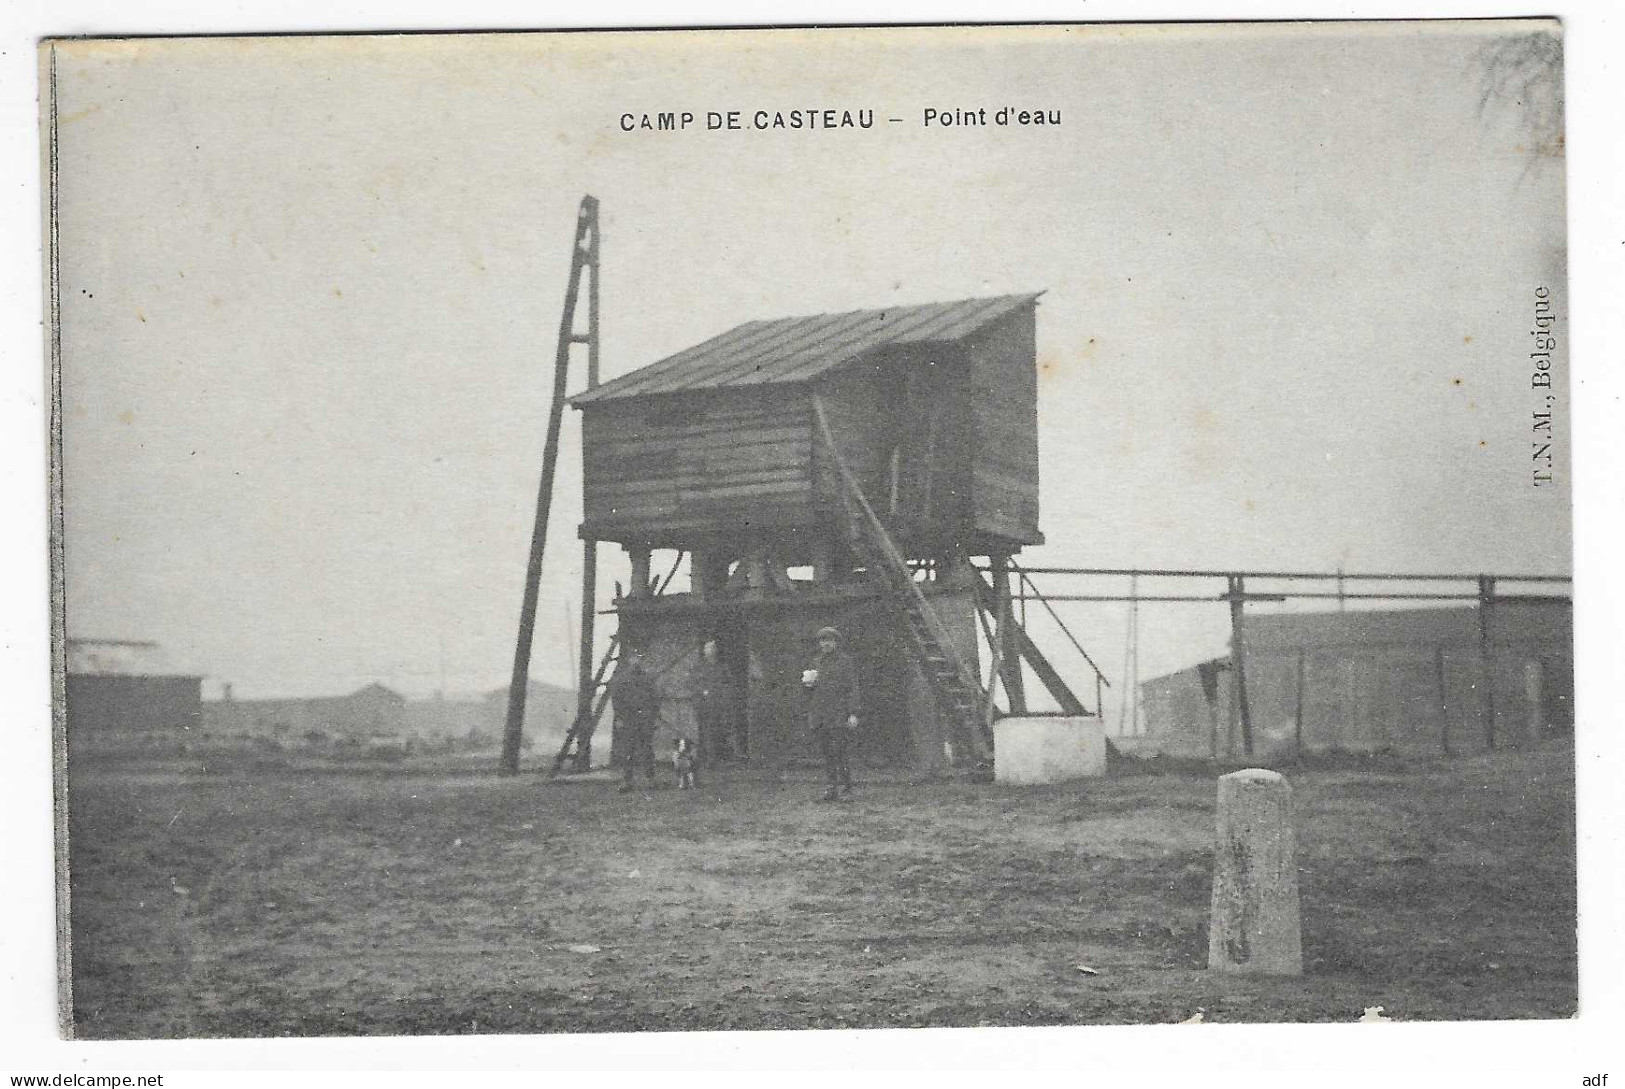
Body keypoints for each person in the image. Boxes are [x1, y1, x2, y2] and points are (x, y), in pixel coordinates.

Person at [803, 625, 860, 801]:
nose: (825, 644)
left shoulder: (845, 661)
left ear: (836, 642)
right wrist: (808, 685)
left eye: (829, 640)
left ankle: (846, 788)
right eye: (822, 640)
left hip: (839, 714)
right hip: (820, 714)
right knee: (826, 752)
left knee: (840, 751)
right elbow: (810, 691)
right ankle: (831, 788)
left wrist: (853, 713)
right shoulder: (816, 662)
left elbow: (852, 688)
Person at [611, 646, 661, 793]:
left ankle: (650, 779)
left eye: (639, 658)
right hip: (628, 719)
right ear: (629, 660)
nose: (636, 661)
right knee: (628, 750)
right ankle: (627, 781)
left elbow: (655, 699)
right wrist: (619, 717)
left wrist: (653, 716)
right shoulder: (621, 679)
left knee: (647, 749)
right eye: (634, 658)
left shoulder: (647, 679)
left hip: (644, 718)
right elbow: (616, 700)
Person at [693, 639, 737, 763]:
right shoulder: (700, 668)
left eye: (712, 649)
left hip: (719, 705)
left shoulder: (723, 667)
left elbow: (729, 684)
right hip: (705, 706)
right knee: (706, 732)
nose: (710, 651)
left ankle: (719, 758)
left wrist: (724, 699)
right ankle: (708, 759)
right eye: (707, 649)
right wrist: (702, 692)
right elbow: (694, 684)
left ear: (716, 651)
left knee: (721, 731)